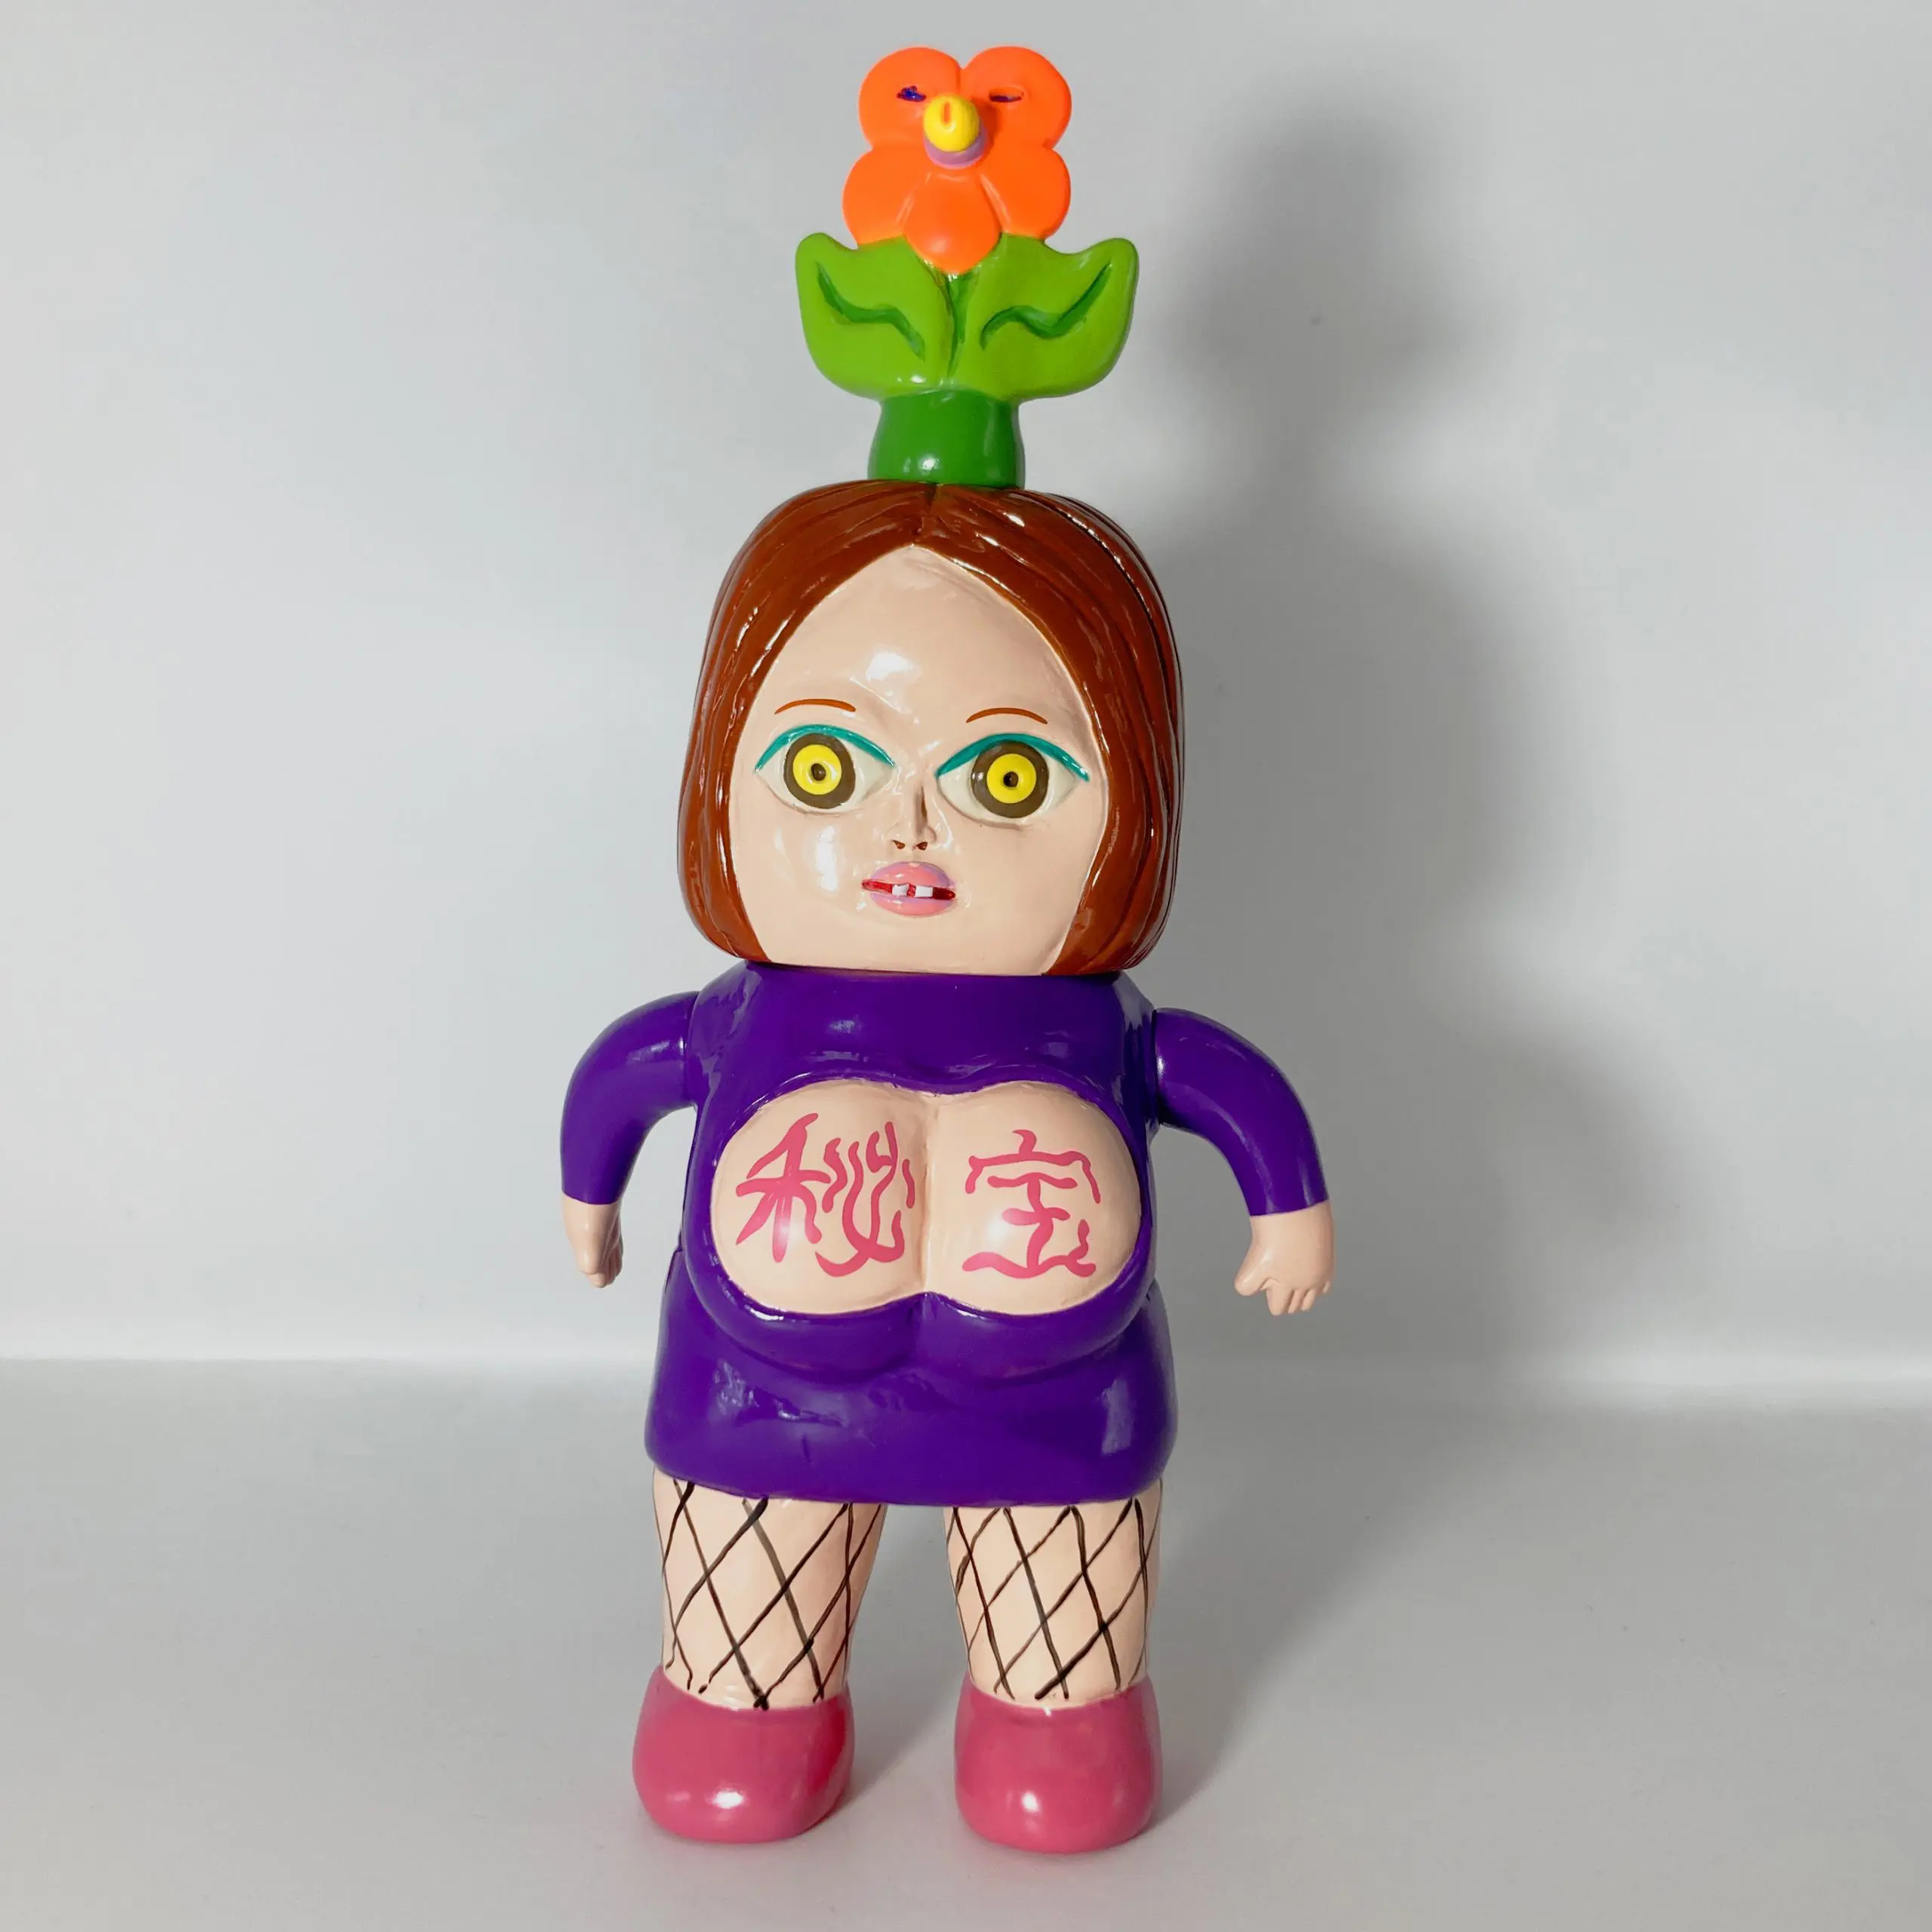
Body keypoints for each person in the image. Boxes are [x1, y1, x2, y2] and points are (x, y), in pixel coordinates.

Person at [560, 481, 1333, 1850]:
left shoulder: (1105, 1026)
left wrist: (1289, 1203)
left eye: (1007, 778)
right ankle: (748, 1707)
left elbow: (1219, 1081)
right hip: (758, 1410)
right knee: (747, 1624)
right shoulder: (741, 1016)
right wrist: (592, 1191)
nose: (907, 830)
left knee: (1065, 1646)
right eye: (824, 769)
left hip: (1059, 1421)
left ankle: (1059, 1716)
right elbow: (627, 1071)